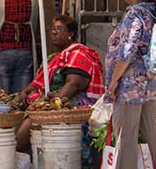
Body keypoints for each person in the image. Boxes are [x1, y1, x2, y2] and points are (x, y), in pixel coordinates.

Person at [14, 15, 105, 152]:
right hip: (49, 99)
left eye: (60, 29)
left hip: (71, 102)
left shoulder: (79, 54)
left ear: (71, 34)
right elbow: (38, 82)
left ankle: (11, 153)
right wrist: (25, 92)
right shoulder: (54, 57)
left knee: (33, 120)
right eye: (53, 29)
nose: (54, 32)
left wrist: (53, 104)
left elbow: (73, 84)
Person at [106, 0, 156, 169]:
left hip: (132, 84)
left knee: (127, 134)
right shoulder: (154, 13)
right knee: (149, 132)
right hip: (151, 82)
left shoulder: (135, 14)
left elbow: (127, 50)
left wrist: (113, 81)